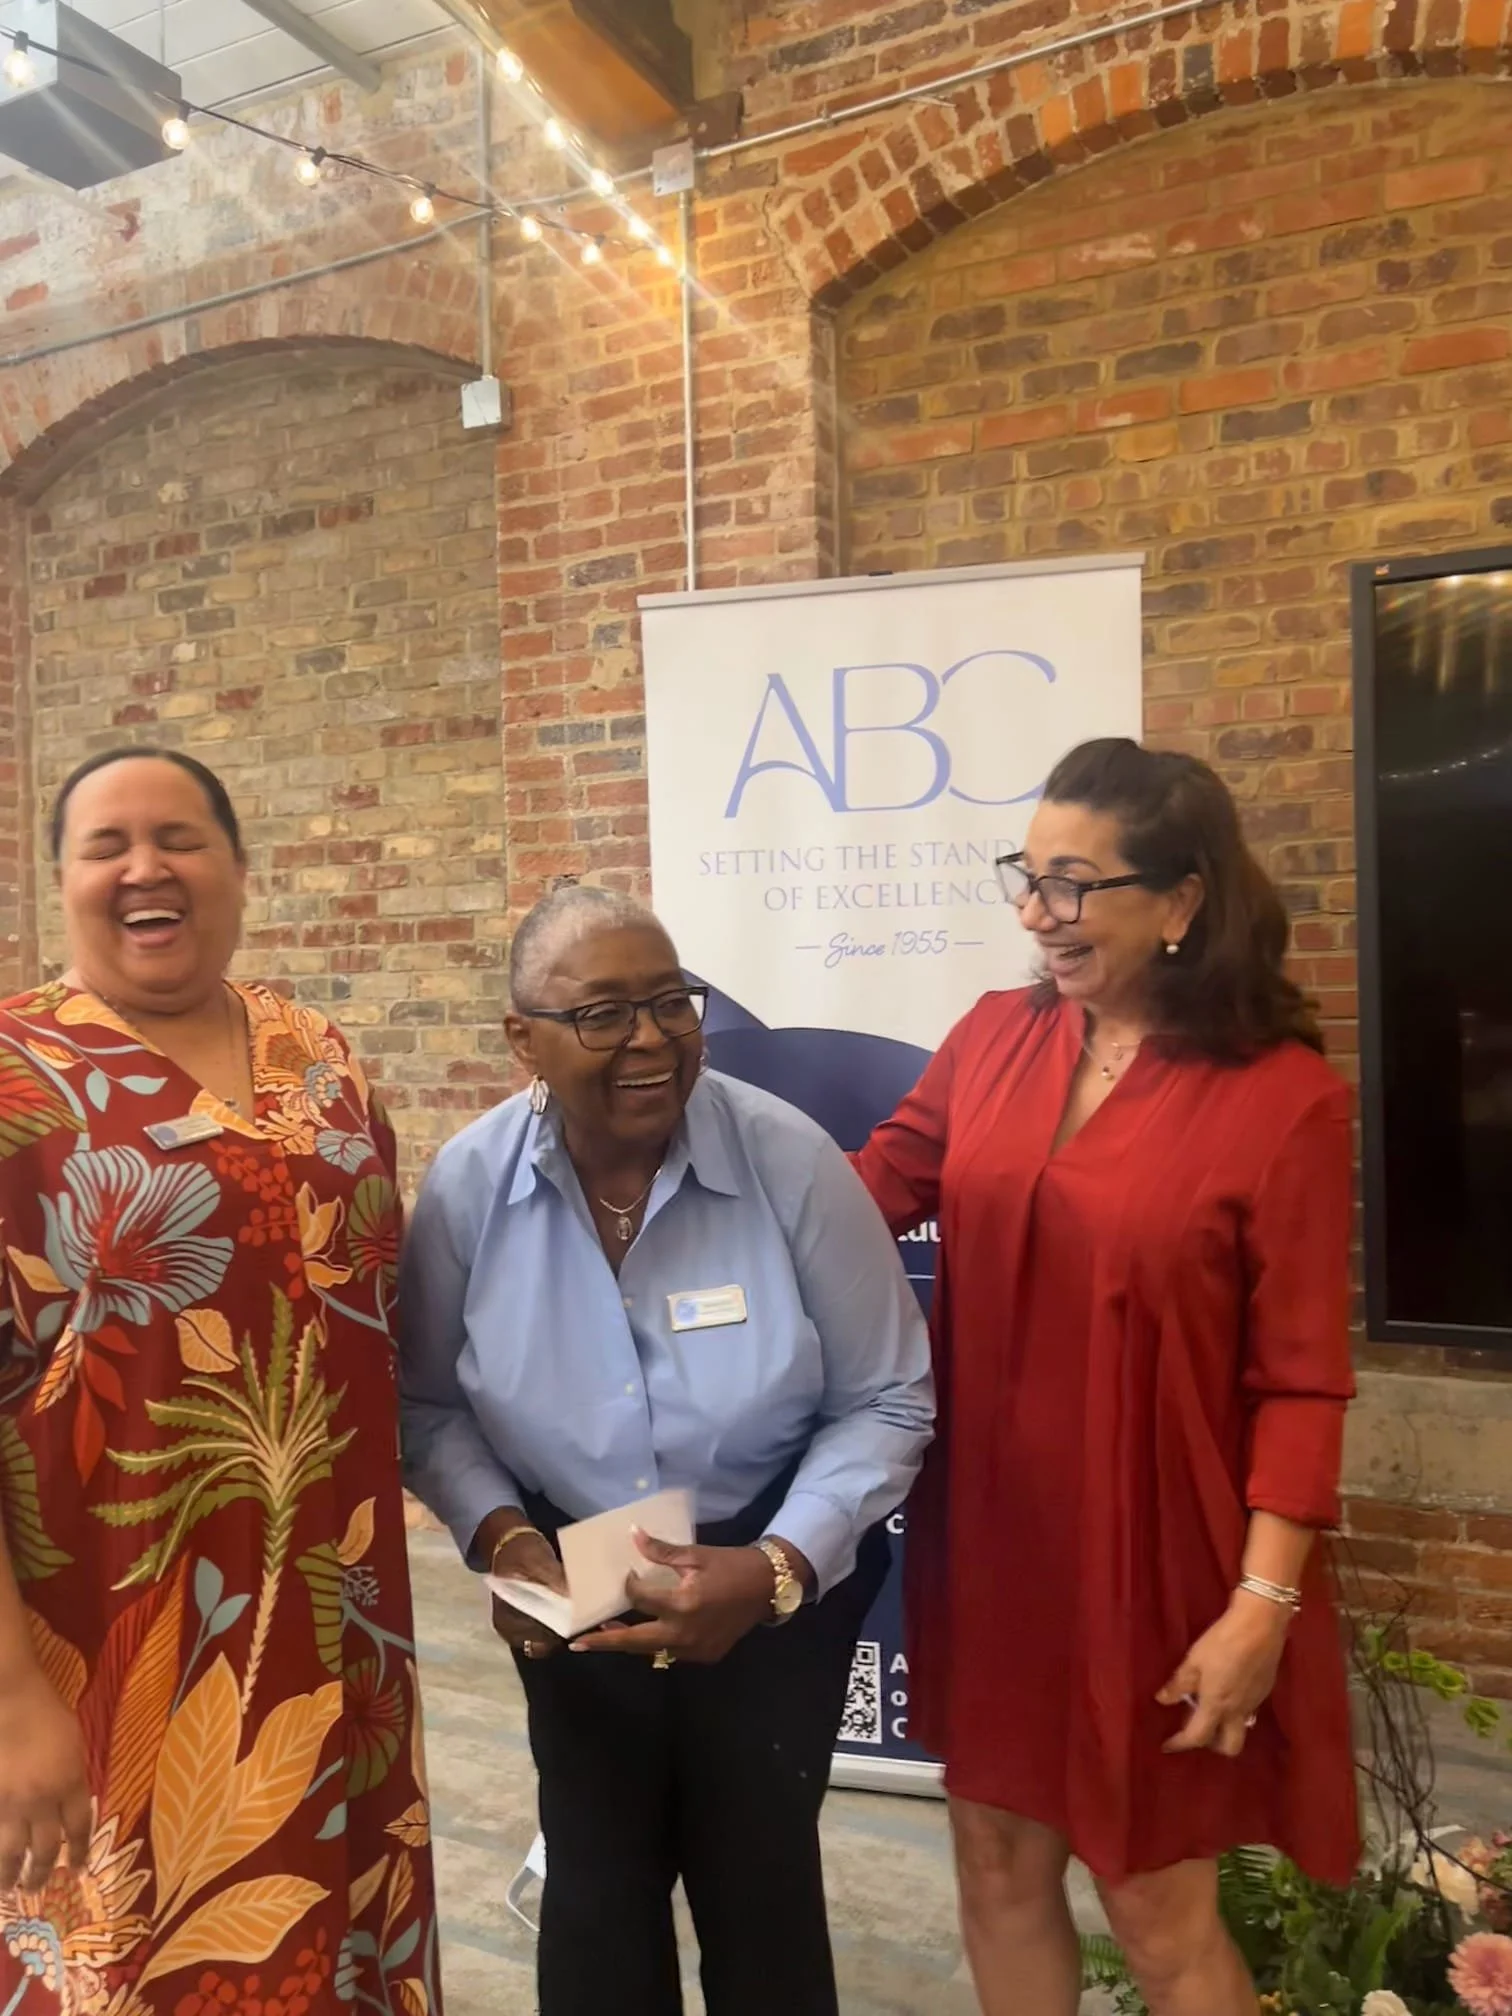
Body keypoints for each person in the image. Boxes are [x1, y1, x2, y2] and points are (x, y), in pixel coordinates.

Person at [853, 739, 1359, 2016]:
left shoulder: (1285, 1101)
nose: (1036, 913)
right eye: (1026, 877)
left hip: (1158, 1565)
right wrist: (670, 1172)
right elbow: (859, 1199)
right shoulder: (992, 1037)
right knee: (994, 1861)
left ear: (1182, 900)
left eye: (1073, 885)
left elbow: (1302, 1381)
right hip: (996, 1539)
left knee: (1156, 1910)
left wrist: (1261, 1609)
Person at [398, 883, 934, 2016]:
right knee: (596, 1888)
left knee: (762, 1890)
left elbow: (888, 1396)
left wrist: (777, 1568)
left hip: (769, 1564)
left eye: (671, 1002)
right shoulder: (471, 1187)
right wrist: (503, 1536)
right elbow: (430, 1404)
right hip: (576, 1567)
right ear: (524, 1041)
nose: (650, 1037)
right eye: (603, 1013)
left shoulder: (789, 1160)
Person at [0, 749, 441, 2016]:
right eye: (107, 846)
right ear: (62, 882)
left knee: (336, 1959)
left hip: (345, 1646)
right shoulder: (16, 1079)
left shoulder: (322, 1058)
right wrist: (12, 1705)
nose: (146, 868)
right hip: (111, 1667)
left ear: (240, 868)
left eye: (181, 838)